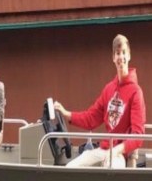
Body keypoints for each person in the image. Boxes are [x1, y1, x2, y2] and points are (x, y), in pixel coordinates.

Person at [54, 34, 146, 168]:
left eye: (124, 52)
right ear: (113, 58)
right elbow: (91, 118)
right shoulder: (108, 89)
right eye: (117, 53)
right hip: (105, 148)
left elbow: (138, 136)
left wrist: (116, 150)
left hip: (120, 153)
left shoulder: (136, 92)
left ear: (129, 55)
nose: (121, 57)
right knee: (71, 167)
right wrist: (66, 113)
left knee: (112, 169)